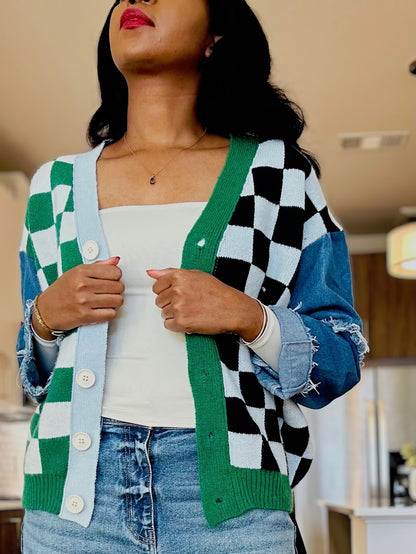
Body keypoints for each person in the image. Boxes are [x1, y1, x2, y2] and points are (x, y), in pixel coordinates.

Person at [16, 0, 368, 552]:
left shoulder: (279, 176)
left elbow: (341, 359)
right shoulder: (53, 186)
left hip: (234, 505)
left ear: (217, 35)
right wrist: (42, 321)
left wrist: (250, 319)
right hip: (73, 506)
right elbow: (37, 377)